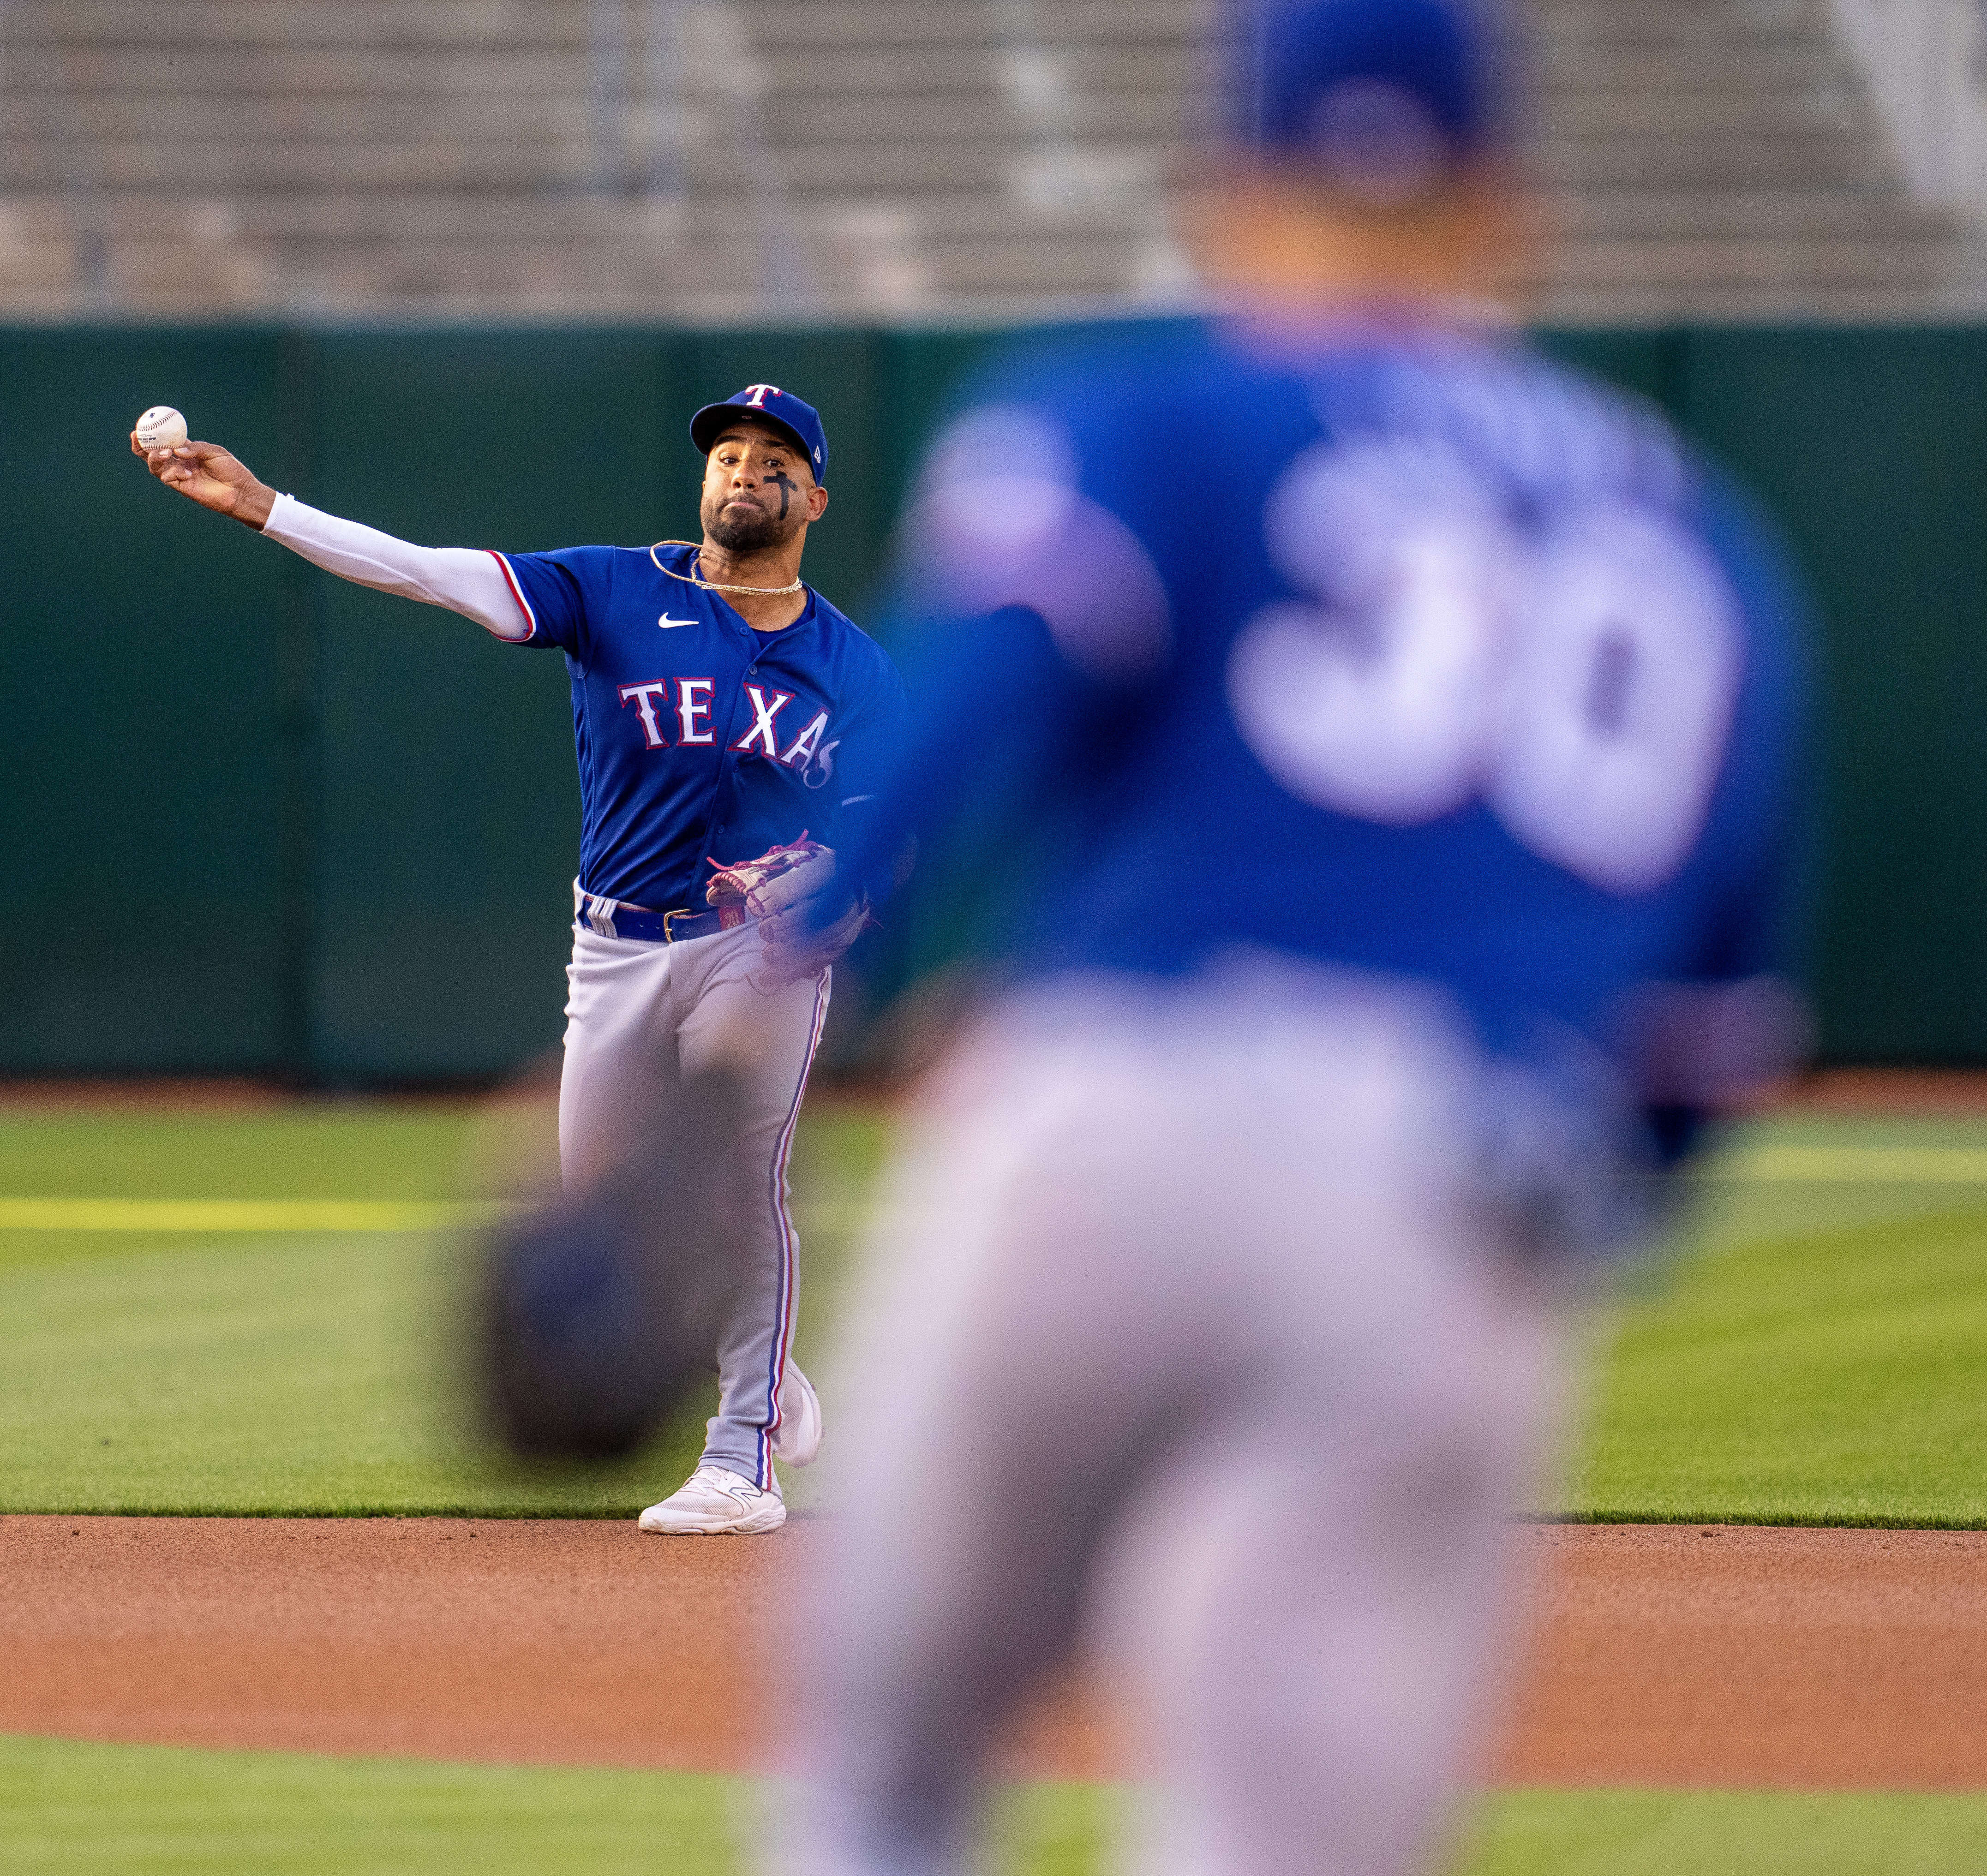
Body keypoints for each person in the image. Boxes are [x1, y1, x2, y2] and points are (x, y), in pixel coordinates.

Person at [766, 0, 1806, 1870]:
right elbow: (1697, 1066)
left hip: (1118, 1114)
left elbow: (967, 704)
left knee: (885, 1772)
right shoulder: (1706, 545)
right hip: (1450, 1197)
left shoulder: (1148, 412)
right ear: (1507, 211)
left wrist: (764, 985)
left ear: (1224, 198)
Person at [136, 385, 902, 1536]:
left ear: (815, 496)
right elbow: (425, 570)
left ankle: (740, 1457)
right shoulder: (613, 586)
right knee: (603, 1213)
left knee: (744, 1182)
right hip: (614, 948)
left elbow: (886, 836)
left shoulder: (850, 665)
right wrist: (263, 506)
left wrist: (823, 896)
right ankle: (764, 1364)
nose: (743, 471)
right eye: (727, 454)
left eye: (772, 458)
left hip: (759, 955)